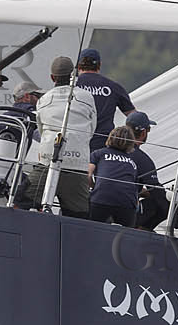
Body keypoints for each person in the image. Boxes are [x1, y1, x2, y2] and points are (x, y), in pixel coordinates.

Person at [22, 56, 95, 218]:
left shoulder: (43, 99)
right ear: (73, 75)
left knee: (20, 201)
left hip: (48, 161)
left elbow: (40, 131)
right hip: (78, 165)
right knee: (79, 217)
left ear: (52, 77)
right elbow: (91, 129)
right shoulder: (88, 98)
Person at [74, 48, 135, 152]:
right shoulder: (113, 87)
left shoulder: (70, 86)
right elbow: (133, 116)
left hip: (74, 145)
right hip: (103, 148)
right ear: (99, 65)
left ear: (78, 65)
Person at [89, 125, 141, 226]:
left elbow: (88, 175)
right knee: (126, 235)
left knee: (92, 228)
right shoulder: (131, 162)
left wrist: (94, 187)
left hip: (101, 197)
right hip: (127, 201)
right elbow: (135, 186)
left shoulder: (99, 154)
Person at [126, 110, 168, 230]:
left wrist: (141, 191)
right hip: (125, 211)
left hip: (100, 203)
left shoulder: (105, 151)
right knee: (162, 201)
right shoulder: (142, 159)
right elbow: (157, 193)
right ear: (144, 132)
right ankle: (142, 229)